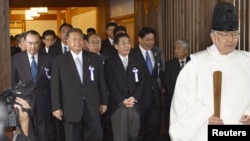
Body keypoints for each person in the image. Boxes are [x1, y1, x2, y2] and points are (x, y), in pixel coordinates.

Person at [169, 2, 250, 141]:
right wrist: (205, 117)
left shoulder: (247, 61)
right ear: (213, 36)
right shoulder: (195, 66)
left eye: (234, 34)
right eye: (225, 35)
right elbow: (180, 112)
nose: (230, 39)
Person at [50, 28, 108, 141]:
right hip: (70, 108)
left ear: (84, 41)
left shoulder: (94, 58)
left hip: (92, 106)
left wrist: (104, 102)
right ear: (67, 41)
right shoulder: (59, 61)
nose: (77, 41)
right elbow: (55, 86)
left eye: (80, 39)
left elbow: (101, 82)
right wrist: (56, 107)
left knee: (94, 136)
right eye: (74, 39)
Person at [11, 30, 54, 141]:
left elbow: (53, 84)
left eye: (36, 43)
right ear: (24, 42)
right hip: (24, 103)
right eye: (30, 43)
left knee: (43, 133)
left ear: (40, 43)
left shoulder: (49, 59)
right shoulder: (16, 59)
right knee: (26, 133)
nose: (33, 47)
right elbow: (13, 82)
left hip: (43, 103)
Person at [105, 32, 144, 141]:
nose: (127, 45)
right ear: (116, 46)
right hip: (118, 105)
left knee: (134, 135)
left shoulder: (137, 60)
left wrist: (134, 97)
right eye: (123, 43)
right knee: (120, 137)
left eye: (128, 43)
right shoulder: (110, 62)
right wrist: (122, 99)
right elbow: (110, 84)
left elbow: (141, 81)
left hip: (134, 104)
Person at [131, 26, 165, 141]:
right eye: (147, 40)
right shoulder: (132, 54)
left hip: (155, 97)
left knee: (154, 126)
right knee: (138, 128)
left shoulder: (157, 52)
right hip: (139, 98)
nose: (150, 42)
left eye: (152, 39)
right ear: (139, 40)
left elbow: (161, 72)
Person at [162, 39, 190, 141]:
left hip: (189, 102)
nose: (176, 51)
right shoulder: (169, 64)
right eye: (175, 48)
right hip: (173, 100)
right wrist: (176, 95)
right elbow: (166, 82)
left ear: (186, 51)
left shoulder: (193, 63)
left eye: (179, 48)